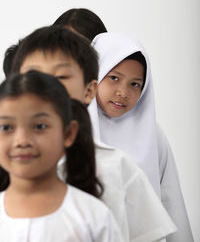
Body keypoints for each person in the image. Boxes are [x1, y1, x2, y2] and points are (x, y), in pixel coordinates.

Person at [7, 25, 177, 242]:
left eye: (60, 77)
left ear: (89, 89)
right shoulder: (10, 155)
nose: (45, 86)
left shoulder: (118, 166)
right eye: (35, 75)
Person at [88, 32, 194, 242]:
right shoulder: (74, 129)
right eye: (114, 78)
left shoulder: (153, 135)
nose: (123, 92)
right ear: (96, 74)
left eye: (135, 84)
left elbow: (170, 200)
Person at [0, 70, 123, 242]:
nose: (22, 141)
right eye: (6, 127)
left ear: (68, 134)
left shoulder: (94, 218)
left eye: (40, 126)